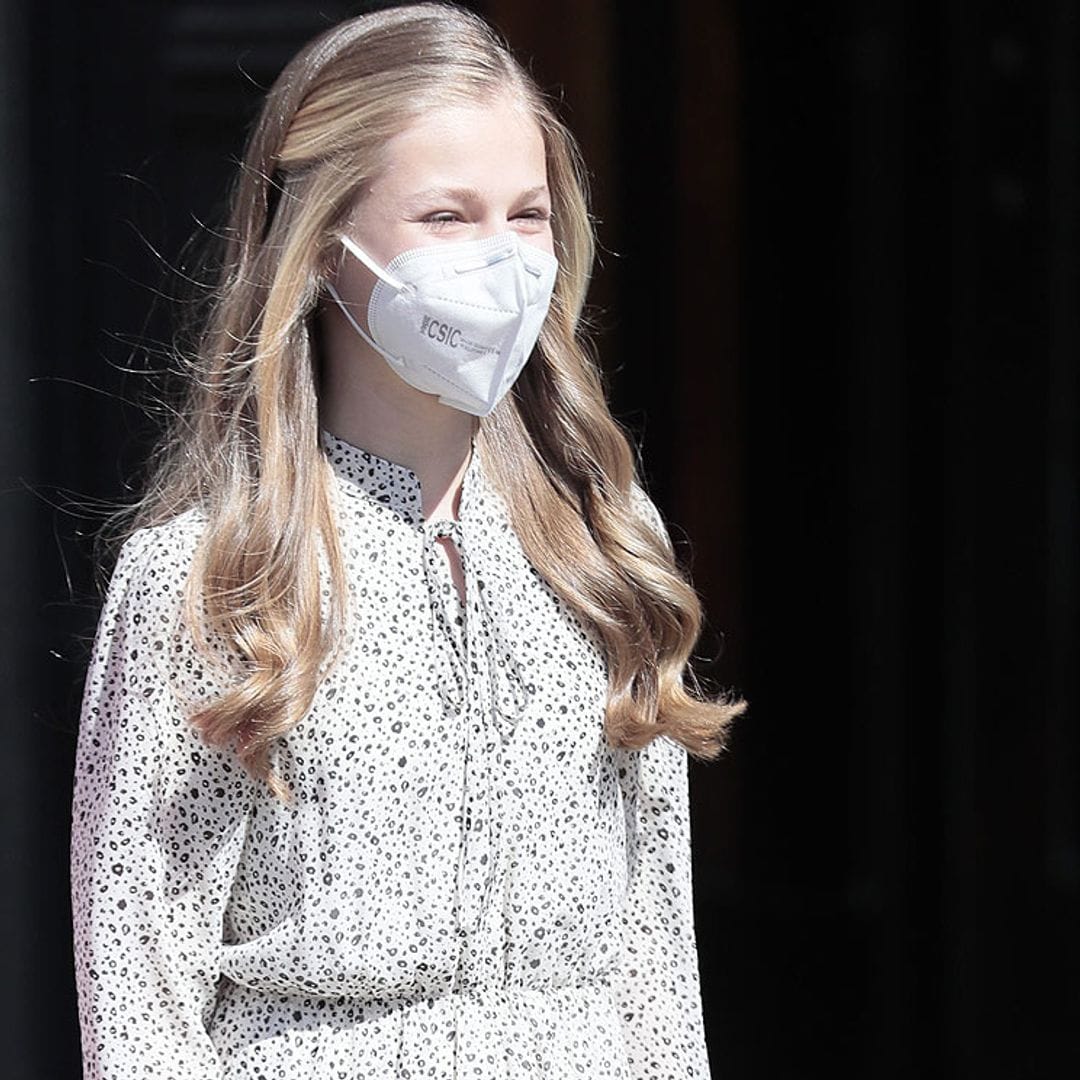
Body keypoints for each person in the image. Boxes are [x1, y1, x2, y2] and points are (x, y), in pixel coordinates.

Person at [69, 3, 747, 1078]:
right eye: (446, 216)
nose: (500, 258)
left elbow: (656, 959)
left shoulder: (603, 539)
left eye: (527, 216)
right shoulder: (218, 572)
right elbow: (142, 990)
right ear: (322, 245)